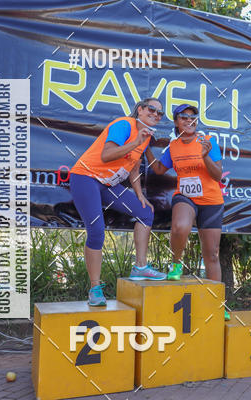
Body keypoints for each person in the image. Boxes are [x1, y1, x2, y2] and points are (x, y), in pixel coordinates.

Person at [70, 98, 167, 306]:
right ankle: (95, 290)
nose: (156, 114)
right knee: (97, 231)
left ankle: (140, 267)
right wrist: (135, 142)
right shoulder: (124, 125)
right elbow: (106, 156)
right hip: (85, 178)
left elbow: (134, 167)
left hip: (107, 184)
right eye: (152, 109)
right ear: (140, 110)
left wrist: (139, 194)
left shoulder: (146, 136)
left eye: (160, 113)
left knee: (145, 212)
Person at [145, 104, 229, 320]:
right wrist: (146, 148)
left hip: (211, 201)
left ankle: (217, 305)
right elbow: (159, 169)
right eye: (184, 117)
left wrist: (205, 156)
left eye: (193, 117)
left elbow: (217, 176)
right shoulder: (173, 147)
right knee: (180, 227)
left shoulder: (208, 141)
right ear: (176, 122)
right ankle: (176, 264)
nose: (189, 120)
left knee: (212, 254)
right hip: (186, 197)